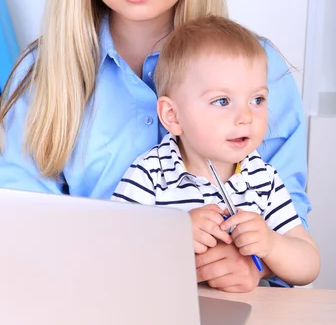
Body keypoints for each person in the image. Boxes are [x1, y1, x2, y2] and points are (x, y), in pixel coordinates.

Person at [0, 0, 311, 292]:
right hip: (86, 299)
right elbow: (20, 218)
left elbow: (288, 216)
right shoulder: (45, 71)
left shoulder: (261, 68)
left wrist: (258, 267)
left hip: (221, 305)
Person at [112, 16, 320, 288]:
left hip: (245, 315)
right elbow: (112, 253)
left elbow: (309, 265)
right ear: (172, 116)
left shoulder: (263, 179)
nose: (246, 116)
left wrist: (271, 244)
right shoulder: (150, 175)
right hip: (166, 316)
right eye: (222, 101)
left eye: (257, 99)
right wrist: (174, 235)